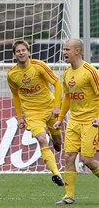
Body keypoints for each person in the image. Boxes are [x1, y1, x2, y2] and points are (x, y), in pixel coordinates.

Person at [7, 40, 64, 187]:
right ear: (14, 55)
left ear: (28, 51)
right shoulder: (12, 75)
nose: (21, 53)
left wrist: (57, 107)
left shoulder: (39, 66)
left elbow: (57, 84)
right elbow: (16, 96)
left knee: (58, 144)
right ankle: (56, 174)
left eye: (23, 50)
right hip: (33, 114)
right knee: (41, 139)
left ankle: (53, 136)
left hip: (50, 109)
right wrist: (20, 118)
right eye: (18, 51)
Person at [53, 38, 99, 205]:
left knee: (87, 160)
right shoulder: (67, 74)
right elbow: (67, 98)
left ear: (77, 51)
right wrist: (59, 119)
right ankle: (69, 196)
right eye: (64, 49)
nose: (64, 52)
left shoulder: (91, 72)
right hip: (74, 121)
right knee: (69, 157)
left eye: (67, 49)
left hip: (91, 121)